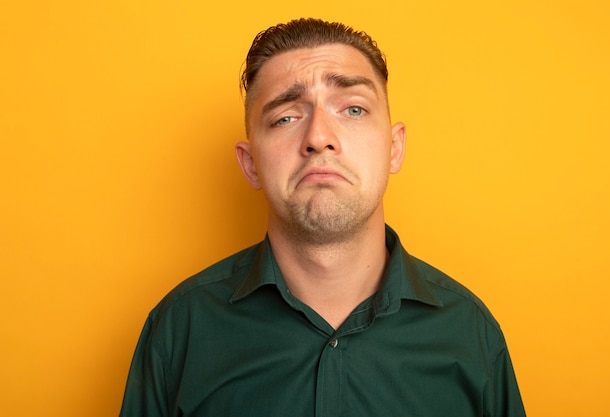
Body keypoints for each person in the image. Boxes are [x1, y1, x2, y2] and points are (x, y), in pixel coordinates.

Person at [119, 18, 526, 416]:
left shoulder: (470, 333)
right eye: (286, 117)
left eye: (352, 109)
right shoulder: (179, 331)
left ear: (394, 148)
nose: (318, 137)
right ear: (251, 165)